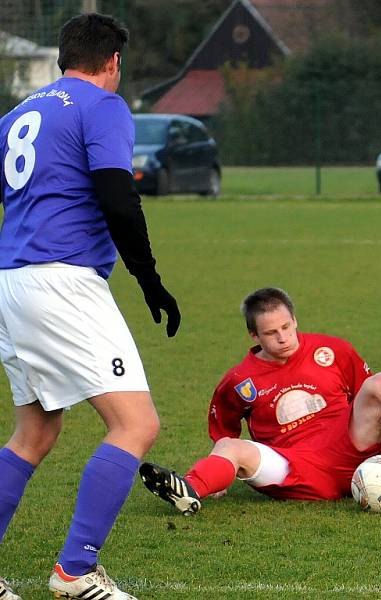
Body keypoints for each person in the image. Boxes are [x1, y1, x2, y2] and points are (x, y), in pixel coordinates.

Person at [0, 13, 180, 600]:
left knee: (34, 432)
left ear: (61, 57)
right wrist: (150, 281)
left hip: (12, 283)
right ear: (114, 62)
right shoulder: (102, 106)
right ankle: (75, 573)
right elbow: (117, 197)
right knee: (136, 424)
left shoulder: (17, 115)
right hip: (63, 284)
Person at [139, 287, 381, 514]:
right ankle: (190, 489)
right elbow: (223, 431)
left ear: (295, 320)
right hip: (294, 467)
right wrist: (219, 468)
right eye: (271, 333)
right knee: (230, 448)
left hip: (348, 449)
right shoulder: (239, 381)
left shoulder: (333, 350)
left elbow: (372, 401)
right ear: (254, 336)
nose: (283, 337)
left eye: (286, 326)